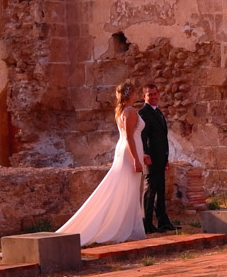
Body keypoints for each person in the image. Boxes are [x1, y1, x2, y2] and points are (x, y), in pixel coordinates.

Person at [56, 83, 147, 245]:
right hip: (129, 153)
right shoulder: (130, 111)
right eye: (135, 92)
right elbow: (129, 137)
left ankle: (128, 226)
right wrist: (135, 159)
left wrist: (142, 155)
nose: (137, 95)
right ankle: (124, 228)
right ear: (130, 94)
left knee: (127, 189)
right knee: (127, 189)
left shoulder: (122, 111)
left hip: (126, 151)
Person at [139, 83, 175, 233]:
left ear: (158, 94)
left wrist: (166, 158)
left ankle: (162, 221)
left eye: (155, 94)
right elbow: (142, 136)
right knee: (150, 190)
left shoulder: (158, 112)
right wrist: (145, 154)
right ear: (144, 97)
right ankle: (146, 223)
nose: (153, 97)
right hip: (150, 158)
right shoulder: (143, 113)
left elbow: (162, 137)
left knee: (160, 190)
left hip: (160, 158)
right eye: (149, 95)